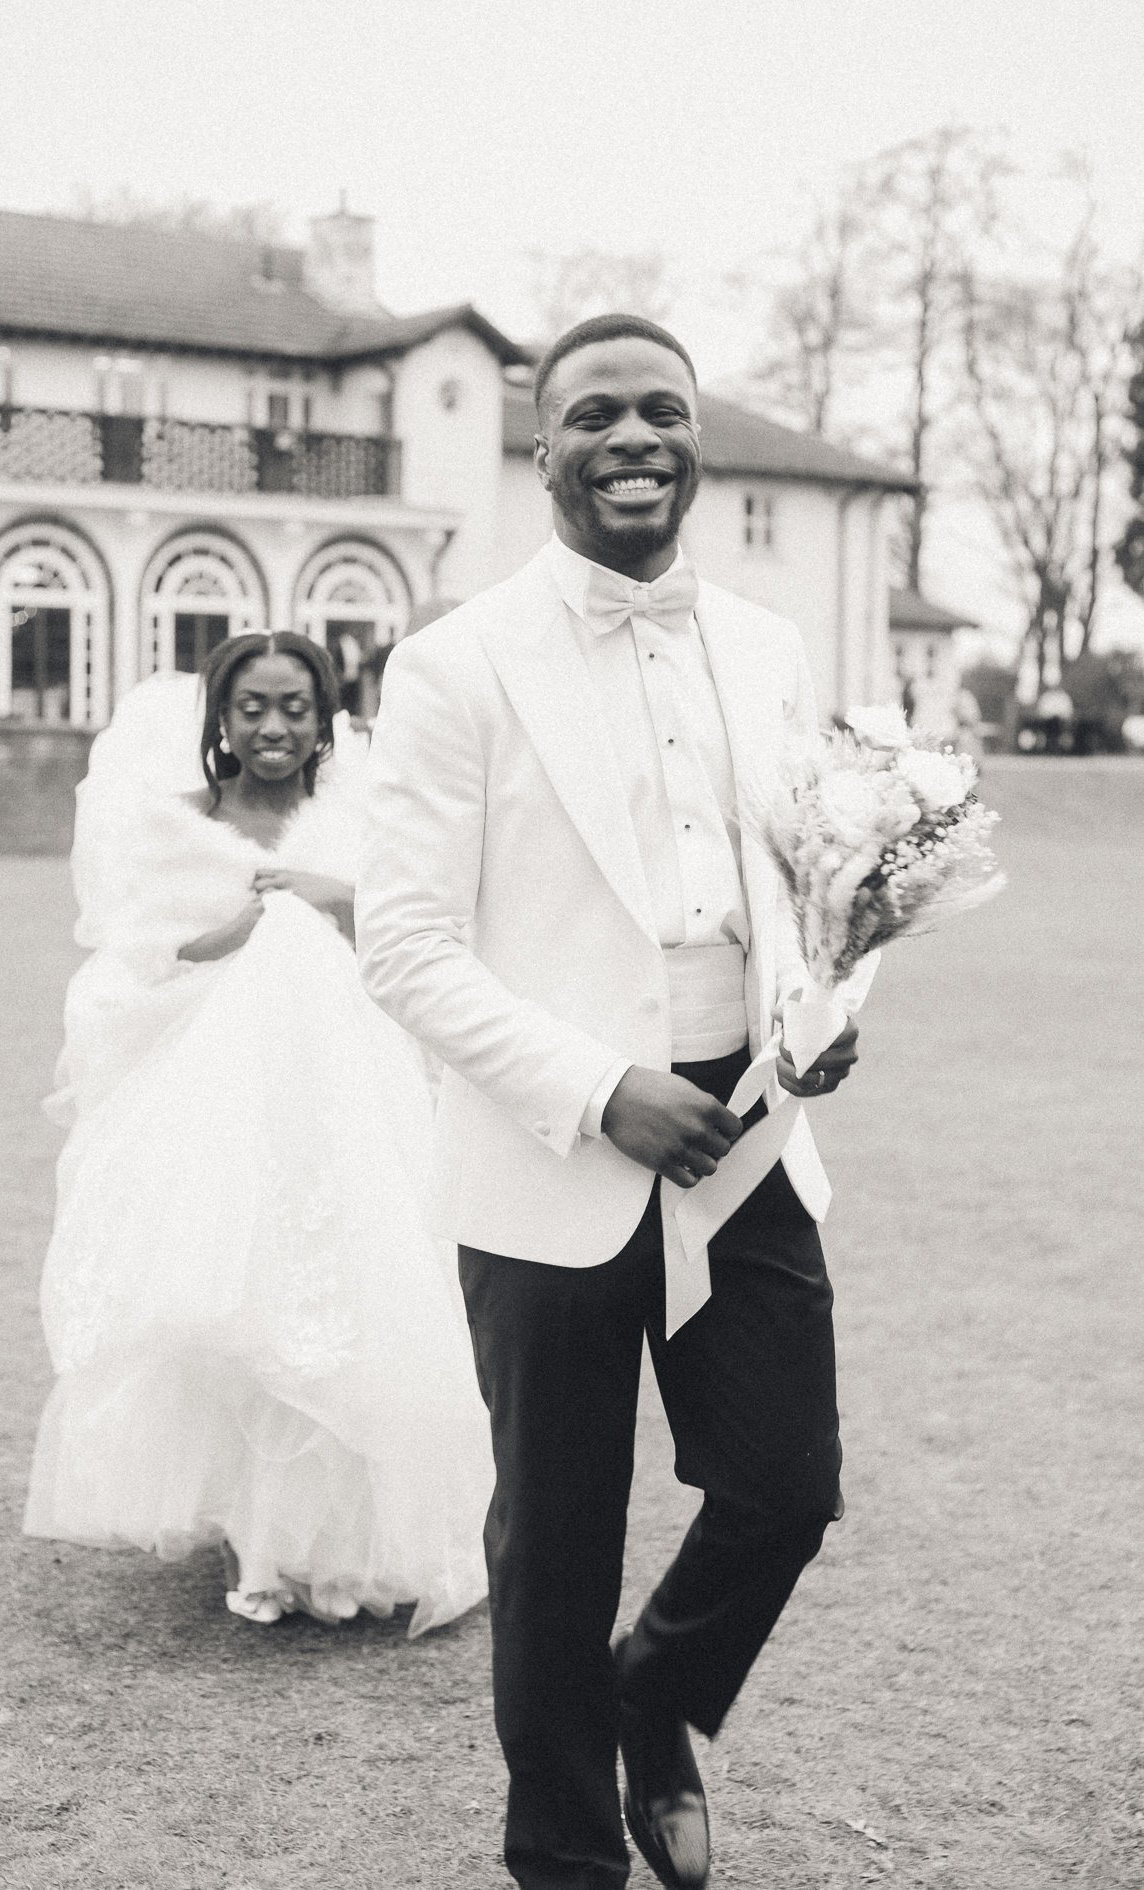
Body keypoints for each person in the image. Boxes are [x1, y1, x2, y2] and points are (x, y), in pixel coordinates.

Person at [357, 315, 860, 1889]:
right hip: (552, 1153)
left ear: (696, 438)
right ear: (545, 448)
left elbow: (814, 885)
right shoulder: (455, 662)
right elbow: (405, 943)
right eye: (596, 416)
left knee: (787, 1484)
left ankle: (659, 1692)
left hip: (750, 1140)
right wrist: (596, 1091)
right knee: (557, 1545)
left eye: (661, 411)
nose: (633, 436)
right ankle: (566, 1856)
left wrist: (829, 1008)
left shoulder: (770, 646)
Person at [24, 632, 492, 1634]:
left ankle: (348, 1543)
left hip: (355, 1106)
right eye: (252, 708)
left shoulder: (364, 817)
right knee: (242, 1313)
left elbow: (438, 930)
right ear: (220, 721)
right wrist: (230, 934)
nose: (273, 727)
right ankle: (261, 1538)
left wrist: (337, 901)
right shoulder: (179, 827)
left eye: (293, 707)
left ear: (325, 717)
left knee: (364, 1301)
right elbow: (132, 960)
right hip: (225, 1115)